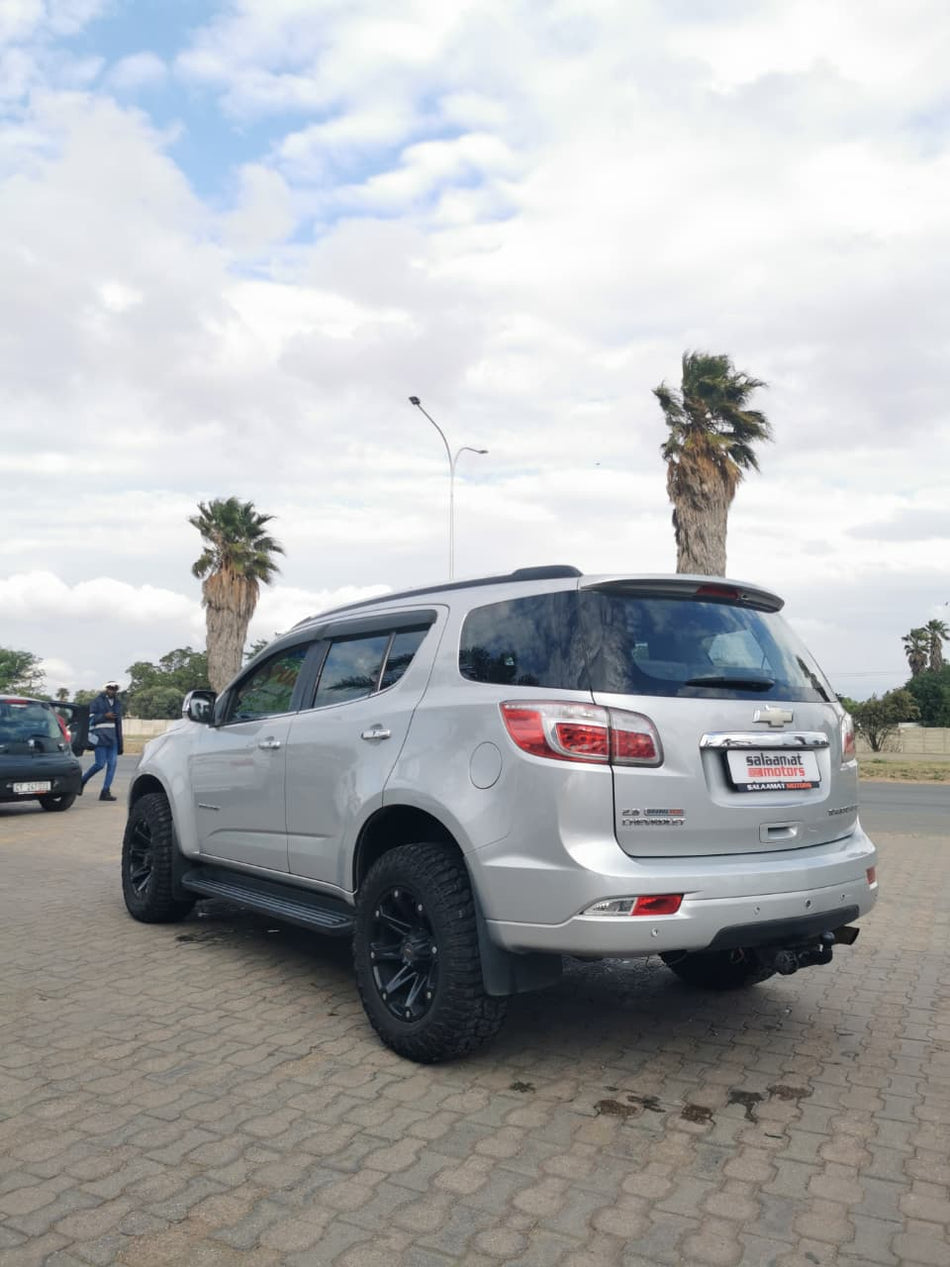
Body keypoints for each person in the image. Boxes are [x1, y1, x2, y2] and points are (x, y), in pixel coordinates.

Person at [80, 680, 124, 802]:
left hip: (113, 739)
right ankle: (82, 781)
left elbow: (119, 724)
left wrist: (120, 742)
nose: (112, 690)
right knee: (99, 764)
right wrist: (104, 716)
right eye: (110, 688)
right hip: (100, 738)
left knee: (112, 764)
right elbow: (90, 718)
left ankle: (105, 791)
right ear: (106, 689)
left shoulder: (118, 703)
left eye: (115, 688)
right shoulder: (97, 701)